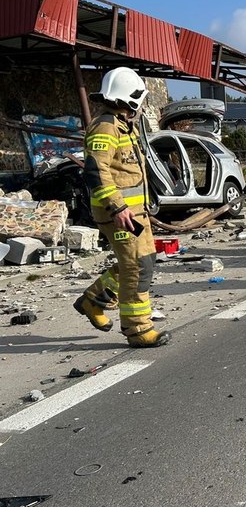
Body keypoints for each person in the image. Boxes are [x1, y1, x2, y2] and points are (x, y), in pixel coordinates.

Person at [72, 67, 169, 348]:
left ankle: (93, 301)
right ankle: (138, 330)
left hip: (135, 213)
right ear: (132, 98)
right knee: (135, 268)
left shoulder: (122, 125)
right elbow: (96, 171)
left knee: (143, 263)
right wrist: (117, 208)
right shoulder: (105, 126)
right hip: (119, 215)